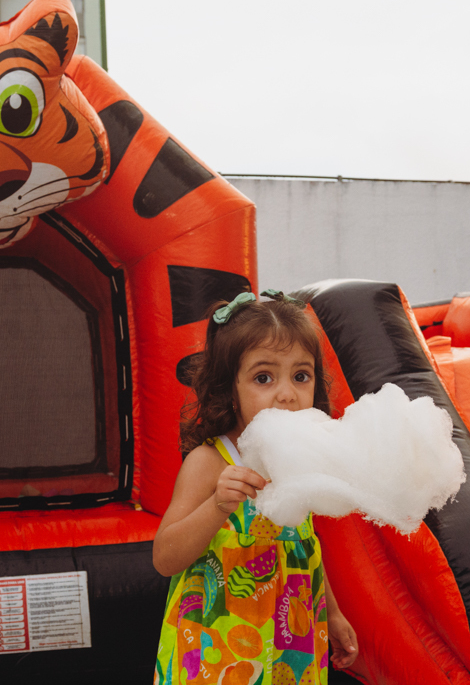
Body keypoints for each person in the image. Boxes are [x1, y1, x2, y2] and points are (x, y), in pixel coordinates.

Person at [153, 290, 358, 685]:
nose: (287, 394)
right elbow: (165, 558)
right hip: (219, 652)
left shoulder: (297, 462)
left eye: (301, 376)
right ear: (229, 389)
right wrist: (217, 505)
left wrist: (332, 613)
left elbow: (304, 543)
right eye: (264, 378)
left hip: (292, 644)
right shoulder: (210, 463)